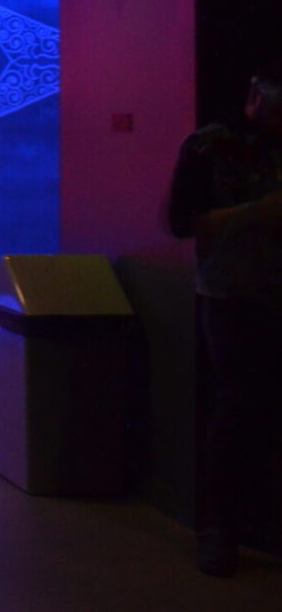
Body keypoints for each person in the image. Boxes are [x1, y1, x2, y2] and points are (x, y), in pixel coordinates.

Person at [167, 60, 282, 577]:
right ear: (254, 92)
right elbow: (181, 223)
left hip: (242, 291)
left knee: (241, 410)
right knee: (237, 410)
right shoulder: (209, 145)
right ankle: (223, 529)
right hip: (234, 295)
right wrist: (257, 213)